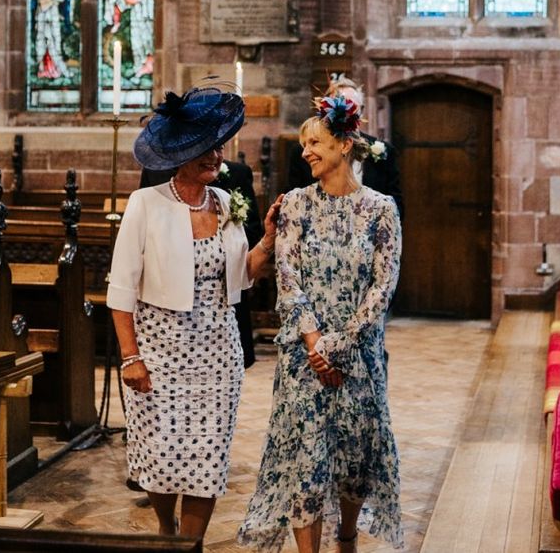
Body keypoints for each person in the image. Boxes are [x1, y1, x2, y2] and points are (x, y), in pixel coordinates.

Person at [107, 85, 282, 541]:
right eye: (205, 148)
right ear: (181, 153)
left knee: (208, 456)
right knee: (161, 453)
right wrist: (130, 357)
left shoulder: (225, 203)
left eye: (217, 146)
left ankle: (192, 544)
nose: (216, 155)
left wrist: (266, 240)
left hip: (218, 352)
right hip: (160, 351)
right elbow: (121, 289)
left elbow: (242, 275)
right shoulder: (146, 205)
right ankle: (168, 531)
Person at [238, 94, 403, 553]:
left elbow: (382, 287)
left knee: (354, 458)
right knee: (304, 462)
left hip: (358, 355)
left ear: (345, 145)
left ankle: (346, 539)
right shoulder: (293, 206)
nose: (306, 150)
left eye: (316, 142)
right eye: (304, 143)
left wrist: (340, 344)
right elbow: (287, 279)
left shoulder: (381, 210)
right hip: (302, 359)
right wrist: (315, 343)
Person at [139, 157, 263, 368]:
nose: (213, 155)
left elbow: (252, 229)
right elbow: (146, 238)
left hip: (222, 304)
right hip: (168, 319)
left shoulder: (236, 176)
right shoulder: (154, 173)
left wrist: (225, 241)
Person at [285, 77, 403, 217]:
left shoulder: (384, 152)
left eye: (351, 107)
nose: (345, 115)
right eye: (339, 109)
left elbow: (396, 207)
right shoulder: (303, 153)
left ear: (362, 111)